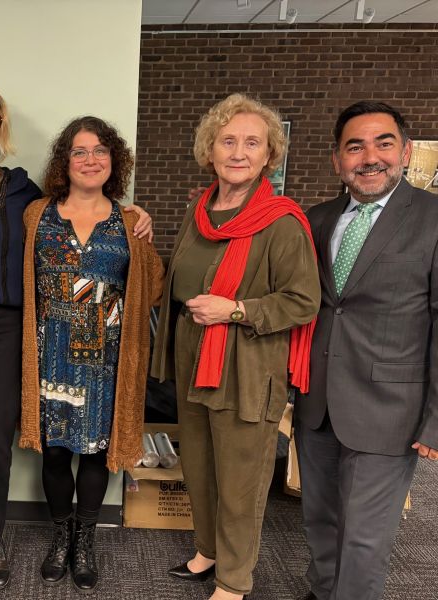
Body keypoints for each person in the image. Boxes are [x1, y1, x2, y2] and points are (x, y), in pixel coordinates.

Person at [0, 79, 153, 590]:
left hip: (7, 327)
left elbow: (133, 264)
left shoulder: (23, 192)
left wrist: (138, 217)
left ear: (2, 128)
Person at [151, 93, 320, 600]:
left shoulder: (281, 222)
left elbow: (303, 301)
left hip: (246, 364)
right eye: (228, 141)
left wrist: (237, 310)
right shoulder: (199, 210)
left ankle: (234, 581)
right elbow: (180, 276)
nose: (238, 152)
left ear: (270, 154)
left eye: (252, 143)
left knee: (241, 480)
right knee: (199, 466)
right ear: (210, 150)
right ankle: (207, 551)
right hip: (193, 356)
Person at [295, 101, 438, 600]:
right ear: (337, 159)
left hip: (390, 410)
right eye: (354, 147)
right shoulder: (316, 219)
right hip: (316, 402)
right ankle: (324, 590)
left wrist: (436, 419)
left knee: (364, 537)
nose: (370, 157)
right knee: (320, 518)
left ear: (406, 151)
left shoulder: (433, 218)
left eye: (384, 143)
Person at [20, 116, 164, 594]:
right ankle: (60, 537)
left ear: (113, 161)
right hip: (51, 355)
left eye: (100, 150)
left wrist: (146, 233)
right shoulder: (37, 214)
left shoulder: (130, 221)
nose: (90, 159)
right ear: (65, 162)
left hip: (107, 362)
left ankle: (85, 541)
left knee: (97, 454)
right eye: (79, 151)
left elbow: (153, 287)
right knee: (56, 452)